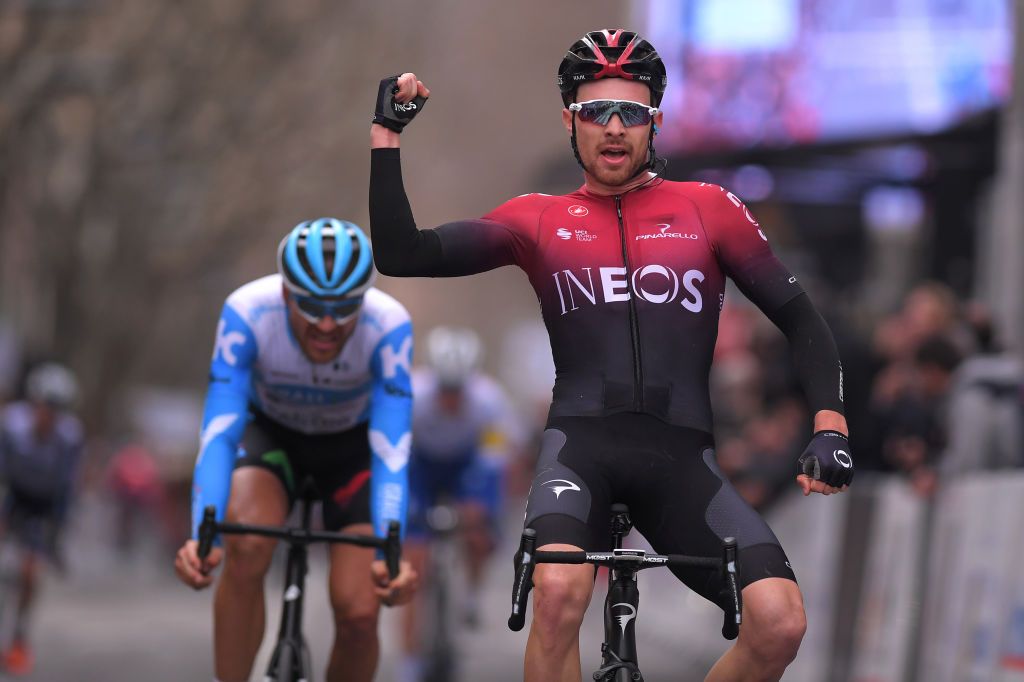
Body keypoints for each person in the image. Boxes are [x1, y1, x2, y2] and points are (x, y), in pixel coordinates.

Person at [368, 29, 853, 682]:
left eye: (633, 111)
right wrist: (386, 137)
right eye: (597, 111)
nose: (615, 127)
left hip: (683, 460)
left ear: (656, 121)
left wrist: (830, 423)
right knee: (560, 593)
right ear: (571, 121)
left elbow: (799, 318)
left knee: (780, 622)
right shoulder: (537, 218)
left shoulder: (710, 209)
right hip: (580, 451)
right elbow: (404, 254)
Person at [173, 218, 418, 682]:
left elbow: (391, 448)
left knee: (361, 611)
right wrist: (203, 535)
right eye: (311, 305)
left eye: (345, 308)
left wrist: (391, 547)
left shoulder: (388, 324)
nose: (327, 324)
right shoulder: (247, 311)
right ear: (285, 293)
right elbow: (221, 429)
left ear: (364, 298)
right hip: (272, 441)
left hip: (351, 452)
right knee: (246, 544)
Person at [399, 326, 519, 681]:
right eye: (445, 390)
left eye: (458, 390)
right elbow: (397, 457)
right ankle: (409, 664)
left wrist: (480, 510)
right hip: (421, 465)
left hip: (468, 464)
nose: (451, 399)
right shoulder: (413, 395)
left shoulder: (489, 400)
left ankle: (472, 590)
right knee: (414, 567)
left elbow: (495, 459)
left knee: (477, 527)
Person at [0, 362, 83, 675]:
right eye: (45, 406)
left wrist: (56, 538)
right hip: (12, 497)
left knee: (30, 573)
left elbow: (66, 489)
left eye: (57, 408)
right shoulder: (11, 425)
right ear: (33, 402)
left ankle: (19, 637)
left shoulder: (69, 438)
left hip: (42, 505)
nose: (49, 414)